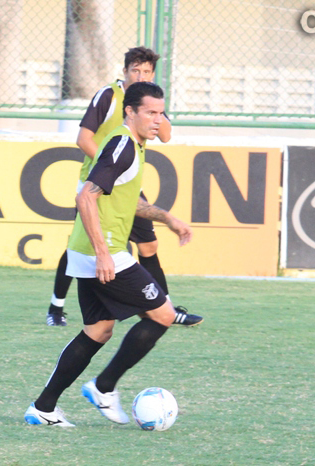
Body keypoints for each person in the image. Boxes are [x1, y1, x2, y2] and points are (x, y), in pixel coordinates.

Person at [26, 82, 192, 427]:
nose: (157, 120)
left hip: (88, 251)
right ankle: (104, 386)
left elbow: (131, 203)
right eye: (150, 112)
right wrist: (103, 253)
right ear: (130, 111)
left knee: (99, 330)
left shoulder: (132, 145)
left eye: (161, 113)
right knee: (163, 314)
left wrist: (168, 218)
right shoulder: (122, 145)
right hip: (104, 253)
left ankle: (43, 408)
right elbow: (86, 196)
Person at [46, 46, 202, 328]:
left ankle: (165, 307)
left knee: (149, 244)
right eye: (135, 70)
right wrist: (109, 170)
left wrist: (157, 111)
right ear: (125, 70)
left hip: (125, 183)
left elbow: (165, 136)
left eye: (146, 71)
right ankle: (55, 307)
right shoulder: (109, 96)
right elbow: (84, 139)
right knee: (80, 246)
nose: (140, 75)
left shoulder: (149, 102)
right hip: (99, 182)